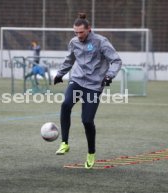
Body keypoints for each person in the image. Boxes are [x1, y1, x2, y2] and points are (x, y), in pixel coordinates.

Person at [54, 13, 122, 169]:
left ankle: (91, 153)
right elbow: (69, 60)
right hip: (77, 81)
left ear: (89, 29)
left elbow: (116, 60)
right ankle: (64, 143)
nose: (78, 36)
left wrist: (109, 76)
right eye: (75, 32)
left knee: (87, 120)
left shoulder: (101, 42)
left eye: (81, 32)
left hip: (94, 86)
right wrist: (60, 74)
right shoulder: (73, 42)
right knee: (65, 105)